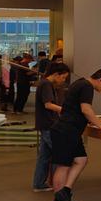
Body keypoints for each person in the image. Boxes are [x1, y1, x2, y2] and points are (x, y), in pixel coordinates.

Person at [49, 67, 101, 201]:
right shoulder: (87, 86)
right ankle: (59, 200)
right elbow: (86, 109)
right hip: (66, 131)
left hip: (70, 131)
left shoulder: (80, 82)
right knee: (63, 165)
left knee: (81, 160)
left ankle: (65, 192)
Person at [31, 62, 69, 192]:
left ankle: (39, 183)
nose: (63, 81)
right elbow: (48, 105)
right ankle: (58, 184)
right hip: (49, 124)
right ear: (56, 74)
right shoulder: (46, 84)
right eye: (63, 77)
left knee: (45, 156)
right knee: (59, 153)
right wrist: (64, 110)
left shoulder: (44, 83)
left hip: (45, 123)